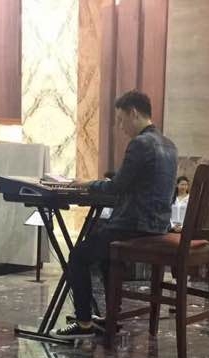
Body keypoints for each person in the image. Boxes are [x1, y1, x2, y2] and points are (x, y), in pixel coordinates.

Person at [54, 90, 178, 339]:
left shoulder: (141, 144)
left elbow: (117, 186)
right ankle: (111, 318)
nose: (120, 127)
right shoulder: (169, 145)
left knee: (78, 256)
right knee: (103, 253)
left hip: (135, 227)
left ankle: (84, 323)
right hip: (157, 226)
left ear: (134, 113)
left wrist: (87, 184)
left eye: (121, 120)